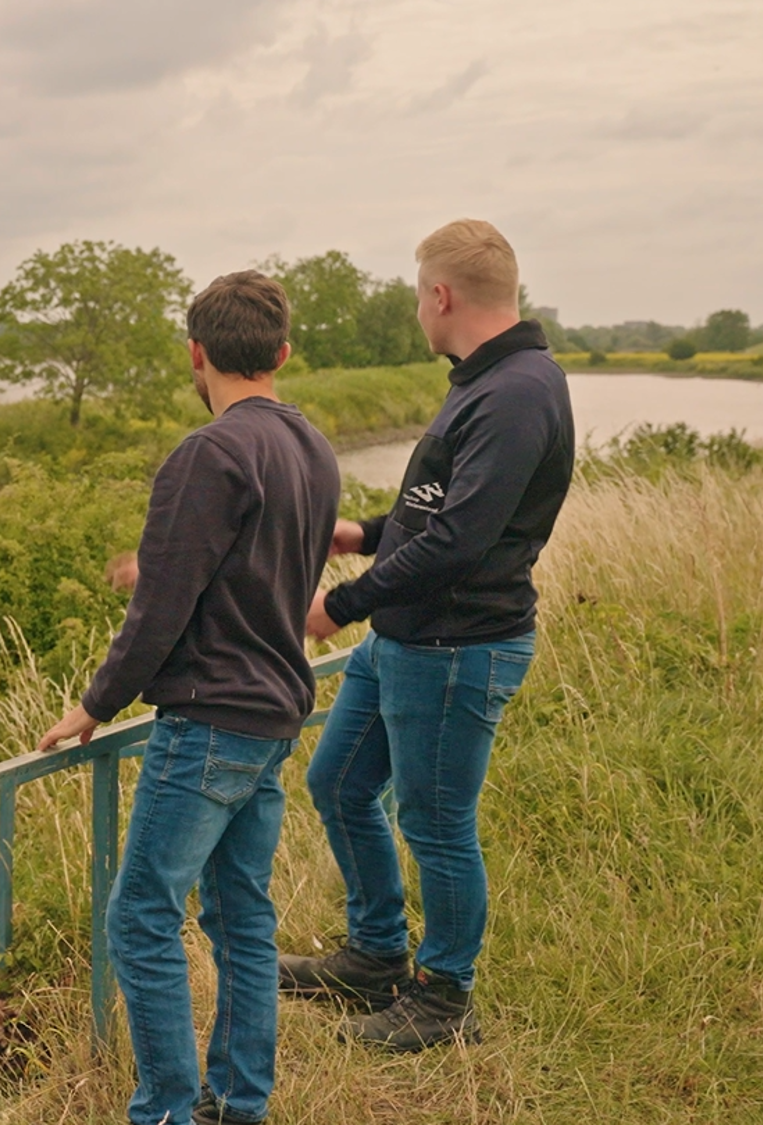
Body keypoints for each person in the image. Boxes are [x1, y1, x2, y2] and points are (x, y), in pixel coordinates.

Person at [38, 270, 339, 1125]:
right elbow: (261, 570)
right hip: (275, 714)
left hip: (210, 720)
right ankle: (240, 1103)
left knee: (140, 917)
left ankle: (167, 1110)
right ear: (283, 352)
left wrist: (96, 703)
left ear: (196, 353)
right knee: (242, 915)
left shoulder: (209, 453)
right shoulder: (312, 448)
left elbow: (161, 606)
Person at [278, 219, 575, 1052]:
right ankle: (374, 956)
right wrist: (364, 533)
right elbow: (437, 507)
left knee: (437, 822)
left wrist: (341, 604)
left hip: (456, 647)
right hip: (406, 639)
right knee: (340, 782)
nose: (417, 311)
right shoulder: (483, 379)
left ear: (441, 295)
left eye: (417, 295)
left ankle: (445, 997)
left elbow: (461, 541)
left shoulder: (517, 390)